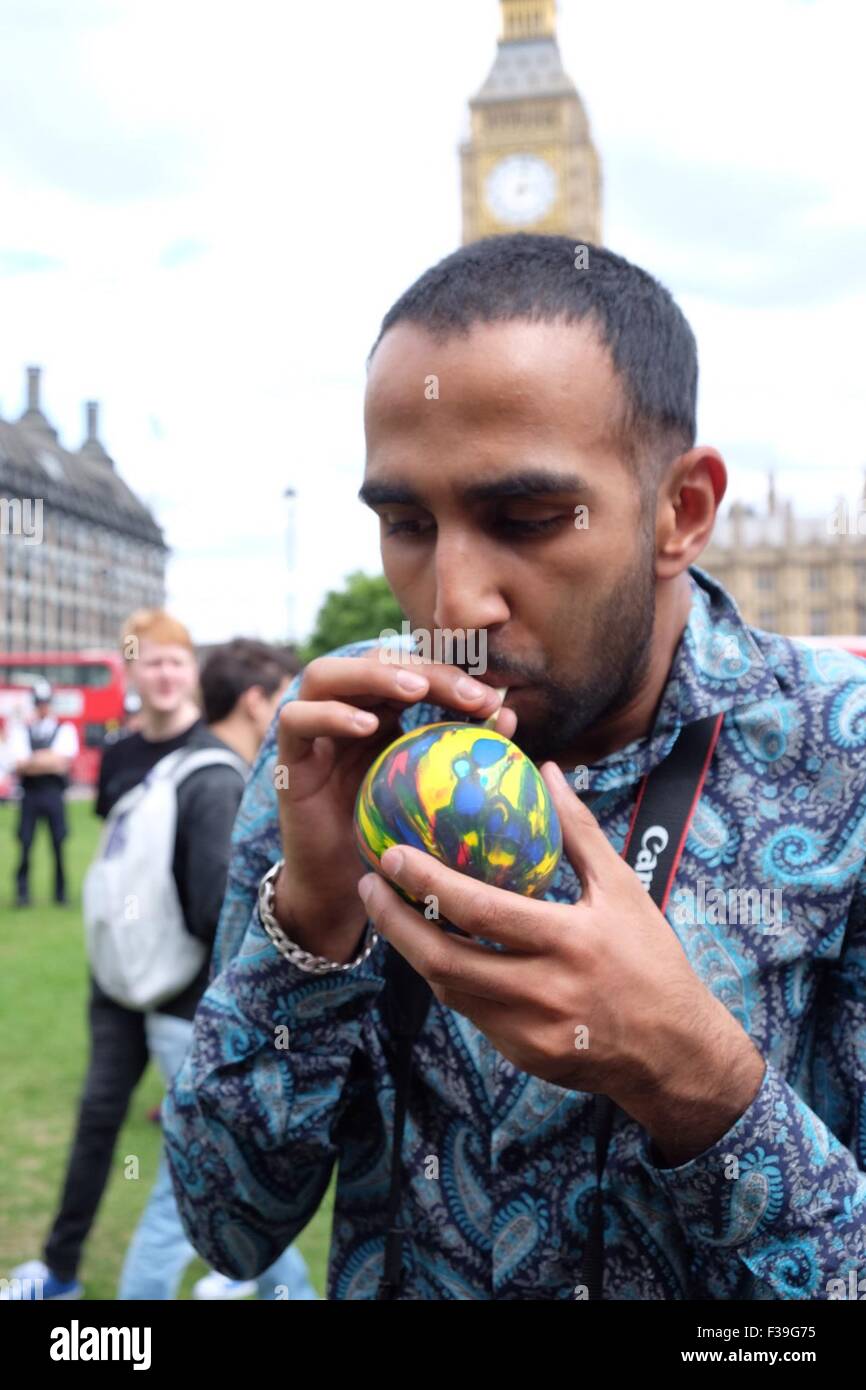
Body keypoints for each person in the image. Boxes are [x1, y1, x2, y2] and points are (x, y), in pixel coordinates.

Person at [163, 235, 866, 1300]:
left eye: (527, 520)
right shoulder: (340, 742)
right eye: (405, 523)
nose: (450, 605)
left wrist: (694, 1080)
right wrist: (305, 922)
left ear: (681, 510)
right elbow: (225, 1222)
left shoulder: (837, 756)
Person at [6, 616, 314, 1301]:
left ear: (192, 674)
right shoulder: (142, 759)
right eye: (152, 663)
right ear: (134, 672)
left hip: (184, 988)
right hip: (131, 975)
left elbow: (210, 899)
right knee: (119, 1130)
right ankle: (65, 1270)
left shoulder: (205, 760)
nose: (165, 675)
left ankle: (253, 1277)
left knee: (199, 1166)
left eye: (178, 662)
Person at [7, 680, 79, 907]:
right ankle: (22, 893)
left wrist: (33, 760)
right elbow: (18, 764)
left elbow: (62, 763)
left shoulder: (65, 729)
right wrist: (48, 759)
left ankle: (61, 893)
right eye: (39, 703)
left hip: (53, 793)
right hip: (30, 794)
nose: (42, 707)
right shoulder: (21, 730)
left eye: (45, 703)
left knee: (58, 844)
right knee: (26, 843)